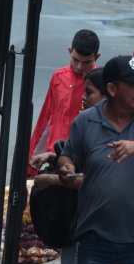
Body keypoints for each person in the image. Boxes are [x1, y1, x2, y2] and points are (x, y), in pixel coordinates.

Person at [57, 56, 134, 264]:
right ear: (111, 88)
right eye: (132, 85)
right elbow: (68, 155)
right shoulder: (85, 121)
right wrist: (66, 167)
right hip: (95, 239)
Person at [29, 69, 109, 264]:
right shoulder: (87, 121)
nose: (83, 98)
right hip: (79, 219)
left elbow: (93, 179)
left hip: (95, 222)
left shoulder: (109, 130)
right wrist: (52, 155)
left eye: (89, 93)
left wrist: (51, 180)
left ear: (107, 95)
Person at [29, 30, 101, 164]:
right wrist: (31, 159)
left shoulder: (101, 82)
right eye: (76, 60)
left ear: (96, 57)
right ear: (70, 50)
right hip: (54, 154)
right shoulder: (58, 77)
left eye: (86, 62)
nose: (80, 66)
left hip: (84, 156)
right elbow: (45, 119)